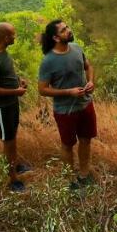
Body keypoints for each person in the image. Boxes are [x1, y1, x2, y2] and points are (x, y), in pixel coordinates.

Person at [37, 19, 97, 189]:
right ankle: (70, 181)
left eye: (68, 27)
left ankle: (84, 174)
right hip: (65, 111)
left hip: (85, 105)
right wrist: (67, 92)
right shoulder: (48, 61)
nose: (69, 30)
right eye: (64, 30)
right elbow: (42, 89)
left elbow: (88, 66)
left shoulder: (77, 48)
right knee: (68, 145)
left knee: (86, 140)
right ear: (56, 38)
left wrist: (91, 81)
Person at [0, 21, 31, 192]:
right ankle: (13, 180)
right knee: (8, 141)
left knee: (12, 136)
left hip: (12, 104)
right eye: (12, 34)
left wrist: (19, 82)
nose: (15, 37)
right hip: (3, 107)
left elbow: (7, 75)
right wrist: (15, 92)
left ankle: (16, 164)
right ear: (5, 37)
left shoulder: (4, 54)